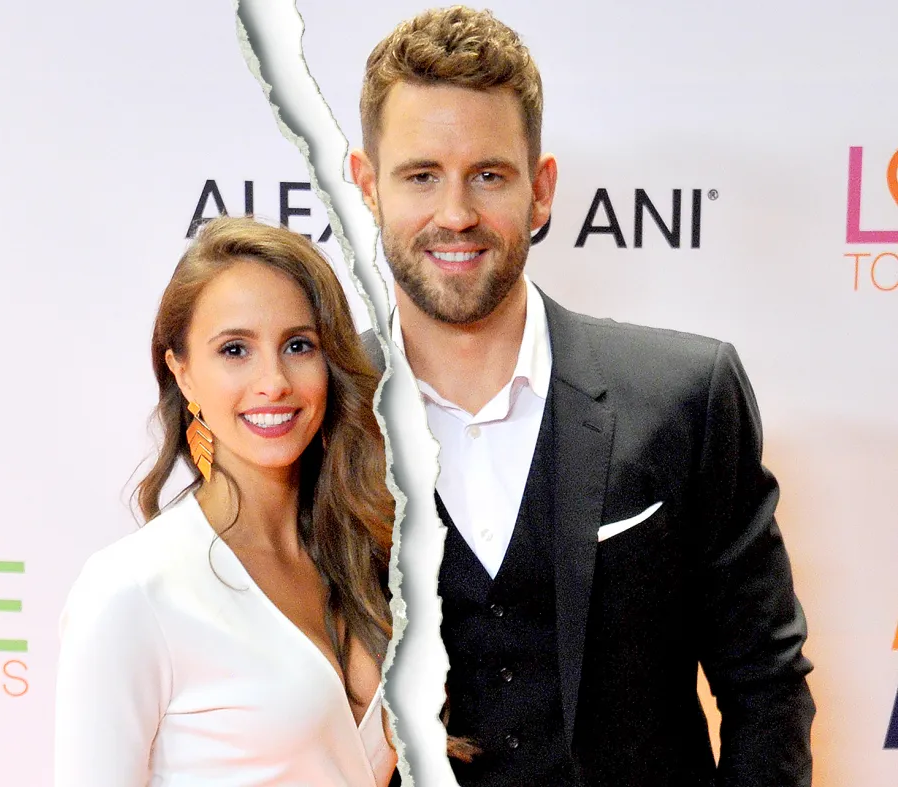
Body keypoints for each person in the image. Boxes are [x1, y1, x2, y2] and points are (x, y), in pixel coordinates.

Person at [349, 6, 815, 786]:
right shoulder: (320, 412)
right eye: (421, 175)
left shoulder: (686, 397)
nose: (455, 213)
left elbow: (765, 686)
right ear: (367, 186)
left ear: (540, 191)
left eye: (489, 175)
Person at [54, 216, 397, 786]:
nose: (274, 381)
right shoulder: (132, 590)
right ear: (183, 373)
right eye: (235, 349)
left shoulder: (363, 553)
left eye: (298, 345)